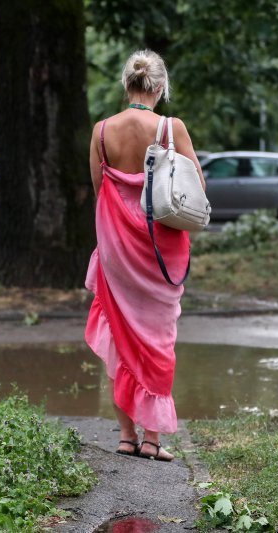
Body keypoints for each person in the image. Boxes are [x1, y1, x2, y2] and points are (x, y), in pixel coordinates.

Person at [84, 50, 205, 462]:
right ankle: (153, 440)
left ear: (127, 84)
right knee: (158, 340)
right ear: (160, 87)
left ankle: (125, 435)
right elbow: (196, 188)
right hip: (161, 251)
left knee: (121, 336)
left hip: (116, 251)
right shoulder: (172, 129)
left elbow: (99, 188)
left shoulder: (102, 132)